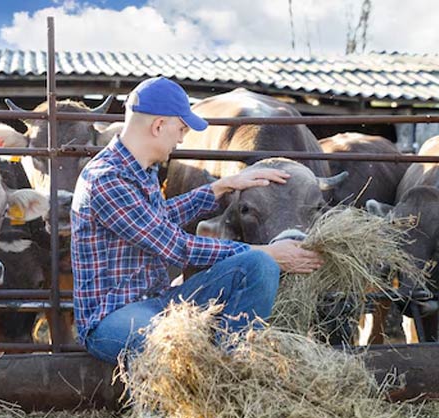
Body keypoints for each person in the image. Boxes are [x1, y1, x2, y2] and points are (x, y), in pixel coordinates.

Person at [70, 77, 324, 365]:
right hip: (114, 316)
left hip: (161, 301)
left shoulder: (143, 171)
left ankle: (234, 368)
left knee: (259, 267)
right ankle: (172, 401)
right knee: (173, 345)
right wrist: (270, 252)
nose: (181, 139)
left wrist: (223, 186)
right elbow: (174, 245)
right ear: (158, 126)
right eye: (181, 129)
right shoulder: (107, 179)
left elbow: (157, 220)